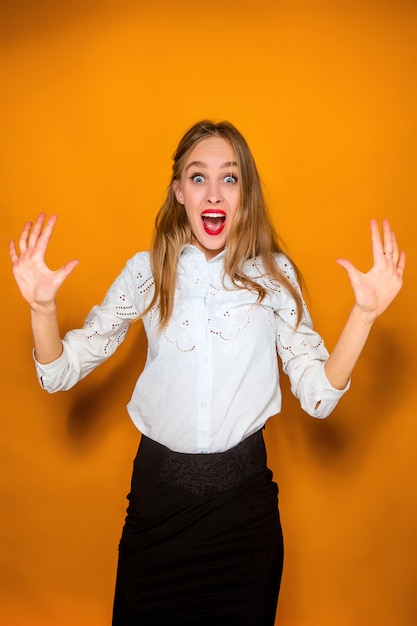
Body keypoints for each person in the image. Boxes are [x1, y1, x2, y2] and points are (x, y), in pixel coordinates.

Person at [9, 120, 405, 626]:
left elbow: (318, 396)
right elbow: (60, 371)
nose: (213, 192)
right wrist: (43, 309)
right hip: (158, 508)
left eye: (230, 178)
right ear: (179, 192)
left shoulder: (275, 278)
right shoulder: (146, 272)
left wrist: (364, 315)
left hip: (244, 519)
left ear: (246, 193)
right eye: (198, 178)